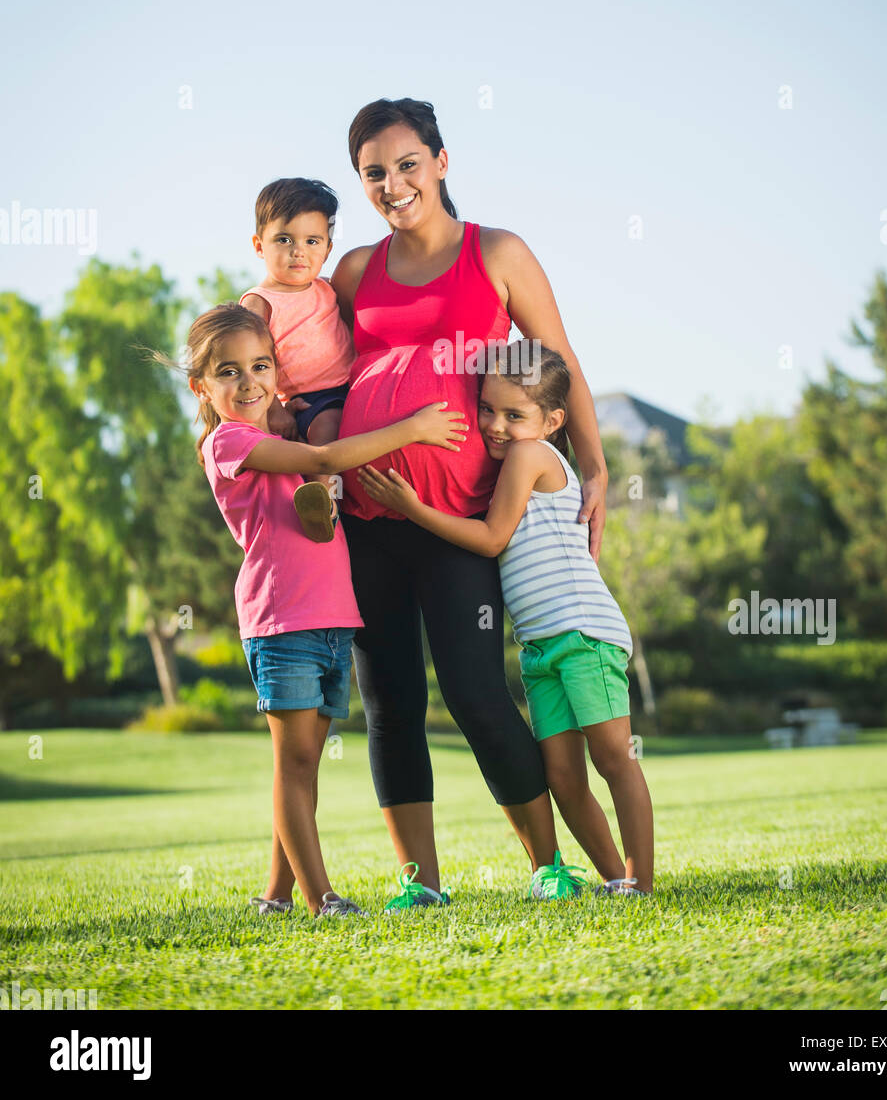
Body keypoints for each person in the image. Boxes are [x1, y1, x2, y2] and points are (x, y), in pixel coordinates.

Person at [329, 97, 611, 907]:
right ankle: (420, 884)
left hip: (463, 522)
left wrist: (593, 468)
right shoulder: (354, 272)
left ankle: (547, 867)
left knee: (477, 690)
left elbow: (563, 365)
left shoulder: (497, 254)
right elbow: (313, 362)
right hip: (368, 520)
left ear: (441, 163)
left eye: (407, 164)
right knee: (389, 702)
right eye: (374, 173)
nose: (393, 183)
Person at [154, 302, 467, 919]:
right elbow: (326, 461)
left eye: (260, 366)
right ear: (201, 387)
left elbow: (306, 441)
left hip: (331, 618)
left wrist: (291, 412)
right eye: (227, 372)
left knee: (304, 766)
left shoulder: (272, 432)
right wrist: (412, 429)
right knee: (294, 763)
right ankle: (321, 898)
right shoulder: (229, 442)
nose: (246, 383)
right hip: (282, 619)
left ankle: (275, 894)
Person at [358, 343, 654, 895]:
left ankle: (641, 882)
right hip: (541, 648)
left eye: (514, 415)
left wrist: (413, 508)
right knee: (563, 779)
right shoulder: (513, 458)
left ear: (552, 421)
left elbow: (492, 539)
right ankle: (616, 880)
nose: (495, 425)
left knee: (614, 759)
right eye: (487, 409)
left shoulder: (530, 456)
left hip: (584, 634)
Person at [240, 177, 356, 544]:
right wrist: (274, 408)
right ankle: (324, 507)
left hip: (353, 385)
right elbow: (252, 365)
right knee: (325, 434)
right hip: (314, 399)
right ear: (259, 245)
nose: (298, 252)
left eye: (312, 241)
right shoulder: (259, 302)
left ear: (328, 248)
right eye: (284, 240)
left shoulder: (326, 287)